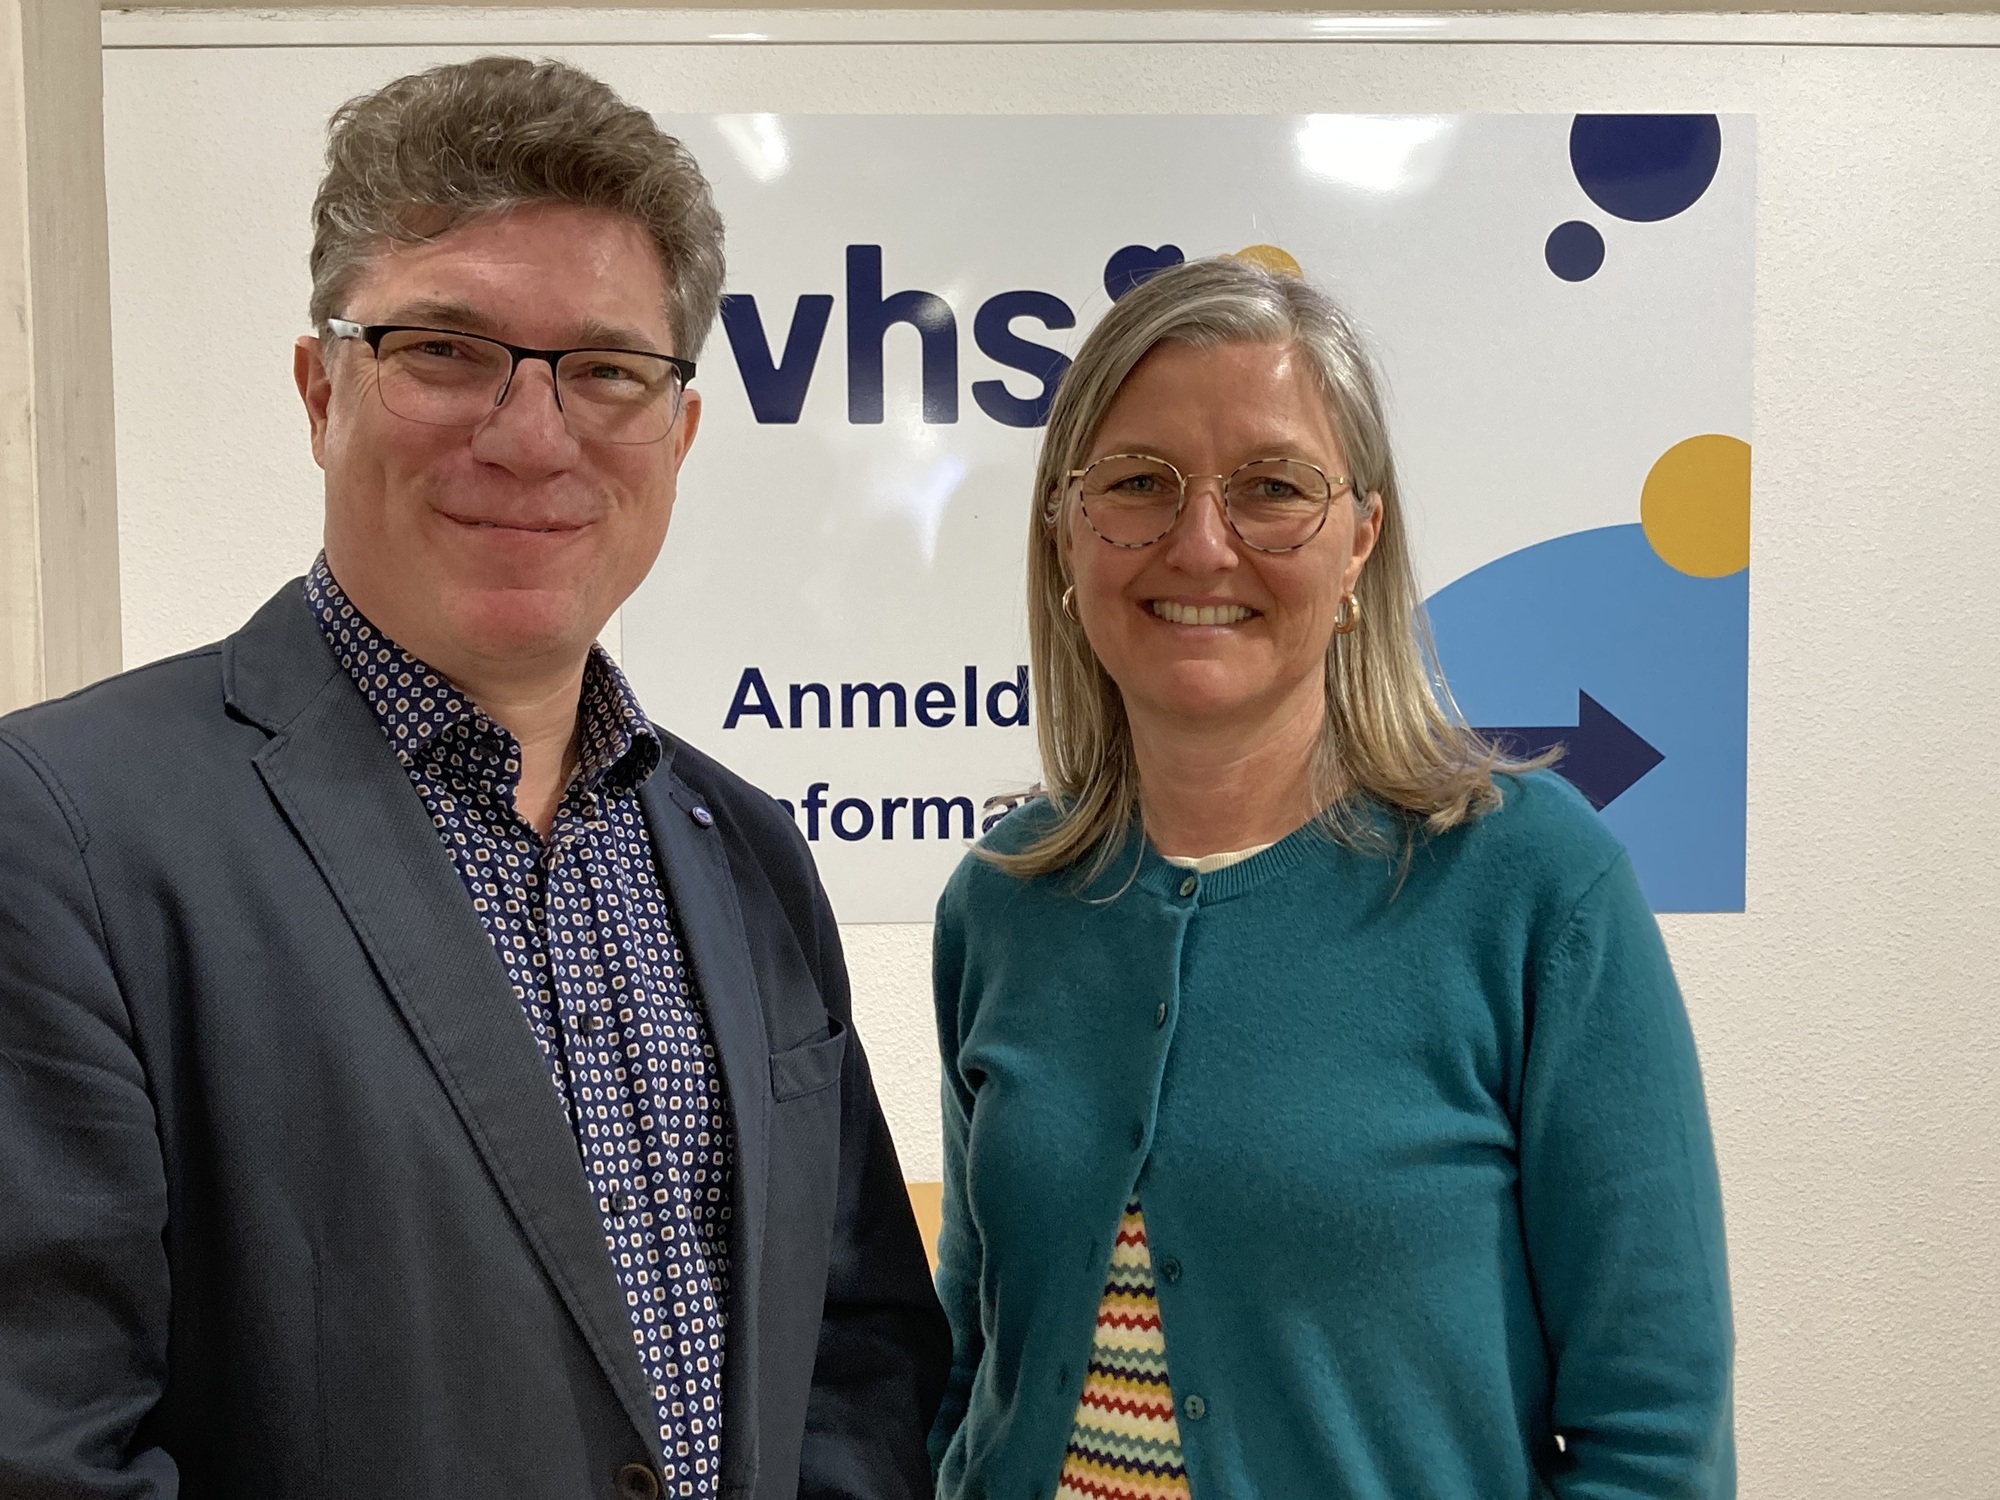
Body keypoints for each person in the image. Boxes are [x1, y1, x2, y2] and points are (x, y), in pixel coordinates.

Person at [0, 57, 946, 1500]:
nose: (531, 436)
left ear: (679, 432)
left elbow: (855, 1351)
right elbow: (45, 1448)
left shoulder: (747, 850)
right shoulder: (63, 832)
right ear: (320, 391)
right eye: (444, 350)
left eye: (607, 370)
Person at [929, 257, 1733, 1500]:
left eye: (1272, 488)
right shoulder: (1000, 902)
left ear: (1359, 538)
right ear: (1064, 529)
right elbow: (970, 1346)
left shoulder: (1529, 886)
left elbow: (1656, 1428)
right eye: (1137, 483)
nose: (1202, 545)